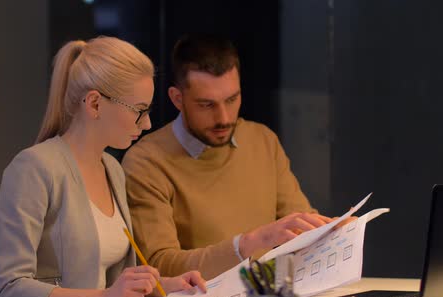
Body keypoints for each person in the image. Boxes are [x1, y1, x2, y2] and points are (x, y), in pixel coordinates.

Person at [0, 36, 206, 297]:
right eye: (140, 111)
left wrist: (166, 285)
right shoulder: (33, 168)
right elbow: (9, 287)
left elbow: (113, 284)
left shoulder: (112, 169)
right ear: (94, 104)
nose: (148, 123)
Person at [122, 34, 349, 280]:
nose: (224, 118)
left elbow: (298, 226)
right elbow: (159, 266)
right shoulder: (147, 161)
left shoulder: (262, 140)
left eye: (232, 99)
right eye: (206, 105)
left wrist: (332, 232)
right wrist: (247, 244)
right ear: (177, 98)